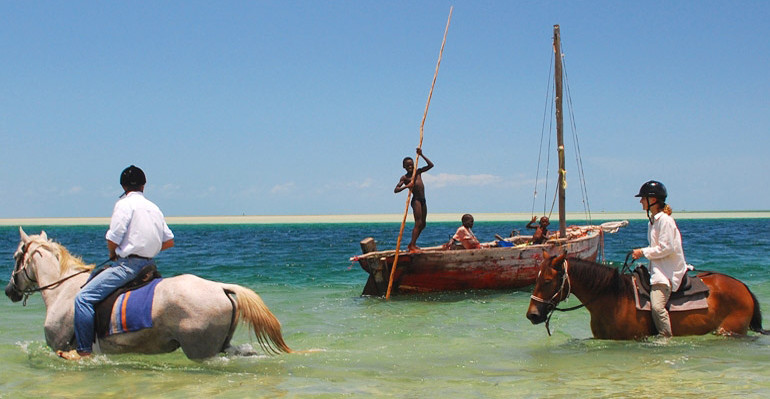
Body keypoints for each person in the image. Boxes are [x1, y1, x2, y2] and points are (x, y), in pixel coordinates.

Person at [58, 165, 175, 360]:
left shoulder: (124, 204)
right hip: (149, 265)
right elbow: (169, 241)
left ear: (123, 186)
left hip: (128, 266)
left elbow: (113, 237)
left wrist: (114, 253)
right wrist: (147, 249)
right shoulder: (154, 207)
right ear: (144, 186)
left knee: (83, 298)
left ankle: (84, 351)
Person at [631, 180, 688, 338]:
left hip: (666, 273)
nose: (641, 201)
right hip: (657, 269)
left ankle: (665, 337)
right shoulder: (653, 222)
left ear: (653, 200)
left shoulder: (665, 221)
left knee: (657, 306)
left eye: (643, 198)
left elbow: (666, 248)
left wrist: (642, 252)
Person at [394, 148, 434, 252]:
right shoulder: (405, 177)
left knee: (423, 224)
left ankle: (412, 244)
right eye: (407, 166)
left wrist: (421, 154)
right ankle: (412, 245)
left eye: (411, 164)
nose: (410, 167)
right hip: (416, 200)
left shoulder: (418, 172)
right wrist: (407, 186)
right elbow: (396, 190)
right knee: (418, 222)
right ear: (404, 167)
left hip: (423, 200)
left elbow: (431, 165)